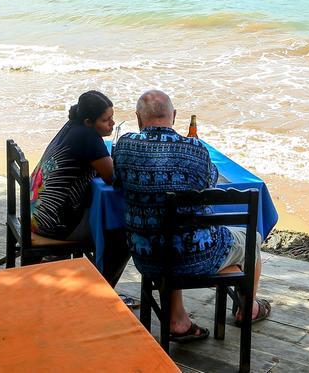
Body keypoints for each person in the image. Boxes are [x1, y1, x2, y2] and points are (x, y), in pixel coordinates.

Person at [112, 90, 271, 342]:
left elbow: (116, 180)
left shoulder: (124, 146)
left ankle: (178, 320)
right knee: (253, 238)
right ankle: (248, 308)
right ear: (173, 116)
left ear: (139, 119)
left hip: (145, 256)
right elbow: (211, 180)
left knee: (171, 235)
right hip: (198, 258)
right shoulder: (194, 150)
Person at [30, 91, 130, 287]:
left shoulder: (71, 127)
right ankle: (102, 290)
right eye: (105, 120)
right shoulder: (89, 138)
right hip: (52, 225)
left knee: (101, 214)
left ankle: (63, 268)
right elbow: (112, 177)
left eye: (111, 117)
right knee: (120, 236)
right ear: (88, 122)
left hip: (35, 213)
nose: (112, 123)